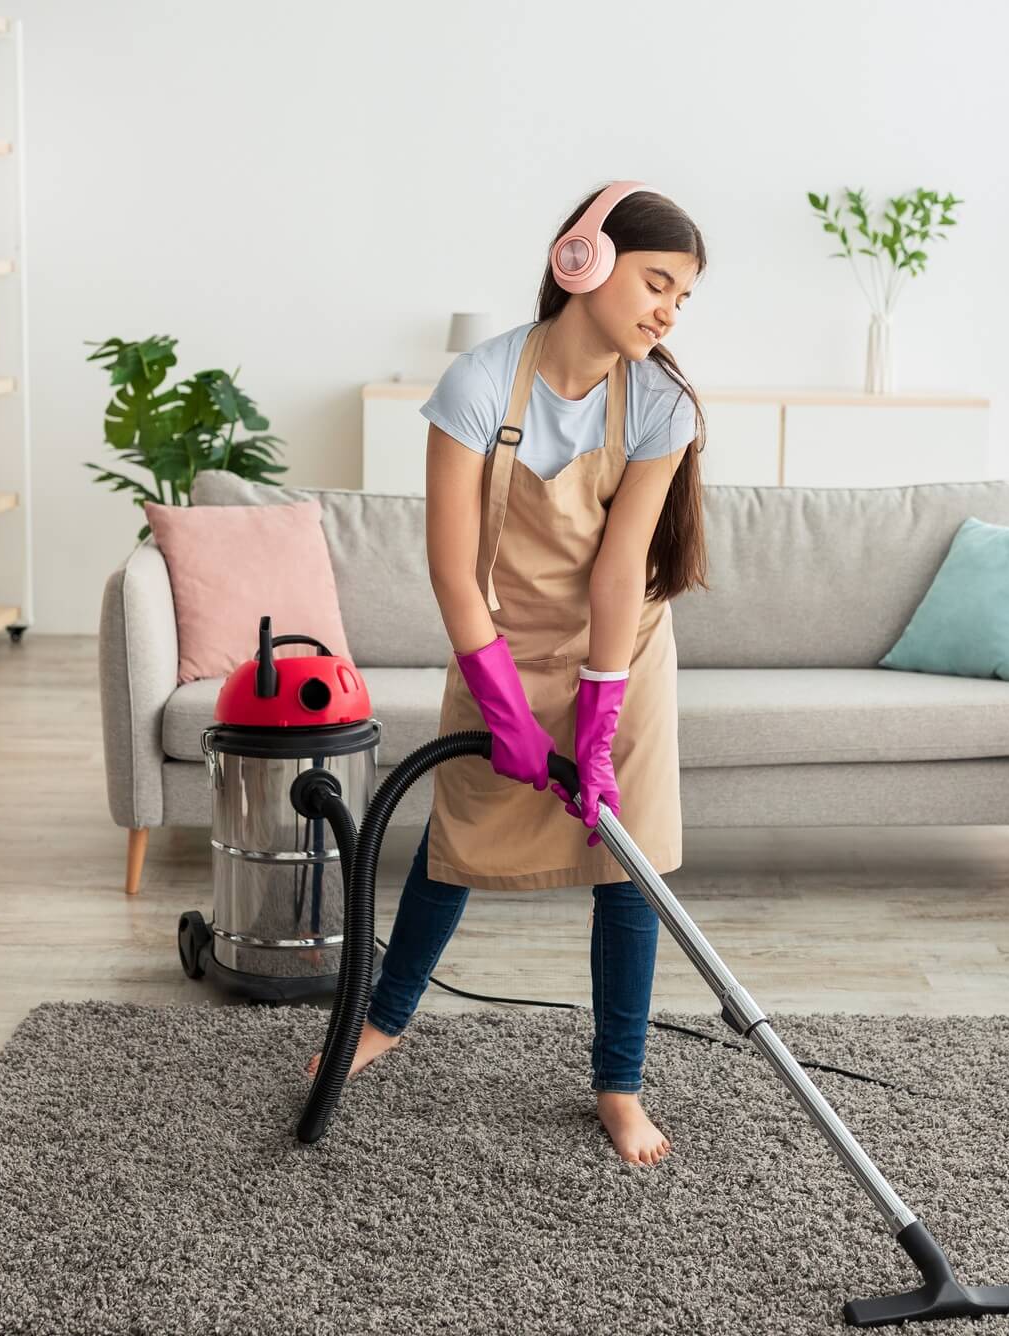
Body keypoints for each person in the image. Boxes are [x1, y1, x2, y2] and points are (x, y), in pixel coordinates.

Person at [306, 182, 709, 1165]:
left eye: (681, 299)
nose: (665, 310)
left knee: (626, 865)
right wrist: (501, 702)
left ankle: (618, 1085)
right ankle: (383, 1022)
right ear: (584, 260)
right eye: (657, 282)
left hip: (622, 653)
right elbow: (451, 567)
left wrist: (598, 723)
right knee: (455, 835)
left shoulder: (658, 402)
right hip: (497, 641)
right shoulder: (481, 384)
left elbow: (619, 573)